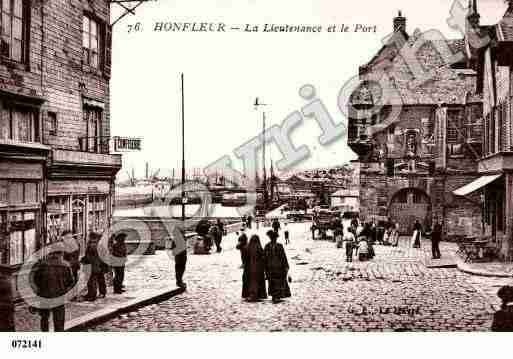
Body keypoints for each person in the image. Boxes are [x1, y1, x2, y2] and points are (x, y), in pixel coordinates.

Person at [33, 243, 74, 331]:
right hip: (59, 295)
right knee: (59, 319)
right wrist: (63, 287)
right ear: (61, 253)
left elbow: (36, 279)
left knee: (44, 318)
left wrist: (42, 288)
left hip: (44, 295)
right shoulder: (65, 265)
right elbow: (70, 281)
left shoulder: (43, 264)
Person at [264, 230, 291, 304]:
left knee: (279, 282)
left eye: (274, 238)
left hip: (279, 267)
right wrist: (265, 268)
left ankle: (277, 295)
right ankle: (274, 295)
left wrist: (286, 266)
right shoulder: (267, 246)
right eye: (272, 238)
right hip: (270, 268)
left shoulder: (279, 246)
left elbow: (283, 257)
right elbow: (264, 258)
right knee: (272, 282)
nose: (273, 239)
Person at [82, 232, 107, 301]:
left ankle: (92, 295)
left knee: (92, 281)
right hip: (99, 265)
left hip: (93, 266)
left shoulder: (92, 245)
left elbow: (90, 257)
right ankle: (102, 292)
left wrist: (85, 260)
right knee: (100, 279)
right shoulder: (100, 244)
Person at [242, 235, 267, 302]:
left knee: (249, 281)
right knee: (256, 281)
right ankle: (257, 295)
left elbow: (244, 259)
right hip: (258, 268)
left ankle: (250, 294)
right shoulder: (259, 247)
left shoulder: (246, 248)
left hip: (249, 268)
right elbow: (263, 258)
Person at [62, 230, 80, 300]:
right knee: (74, 279)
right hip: (74, 263)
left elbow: (68, 254)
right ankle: (73, 295)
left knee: (70, 279)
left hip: (70, 264)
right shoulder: (75, 242)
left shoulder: (69, 243)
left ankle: (72, 295)